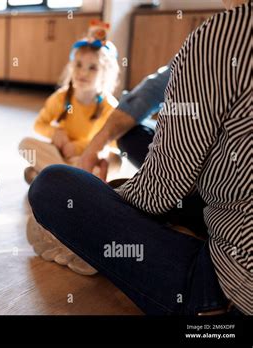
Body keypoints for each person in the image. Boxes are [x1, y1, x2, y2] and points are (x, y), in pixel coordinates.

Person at [29, 0, 252, 315]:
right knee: (132, 136)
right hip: (228, 204)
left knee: (51, 186)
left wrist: (104, 203)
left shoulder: (227, 32)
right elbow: (154, 89)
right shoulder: (60, 99)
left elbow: (161, 191)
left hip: (231, 295)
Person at [19, 20, 120, 184]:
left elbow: (114, 142)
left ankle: (49, 176)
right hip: (59, 154)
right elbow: (39, 125)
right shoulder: (60, 98)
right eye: (78, 65)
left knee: (114, 159)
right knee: (25, 144)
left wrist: (80, 147)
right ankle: (70, 179)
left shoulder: (109, 105)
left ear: (105, 73)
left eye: (92, 68)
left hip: (86, 158)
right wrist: (54, 133)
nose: (83, 72)